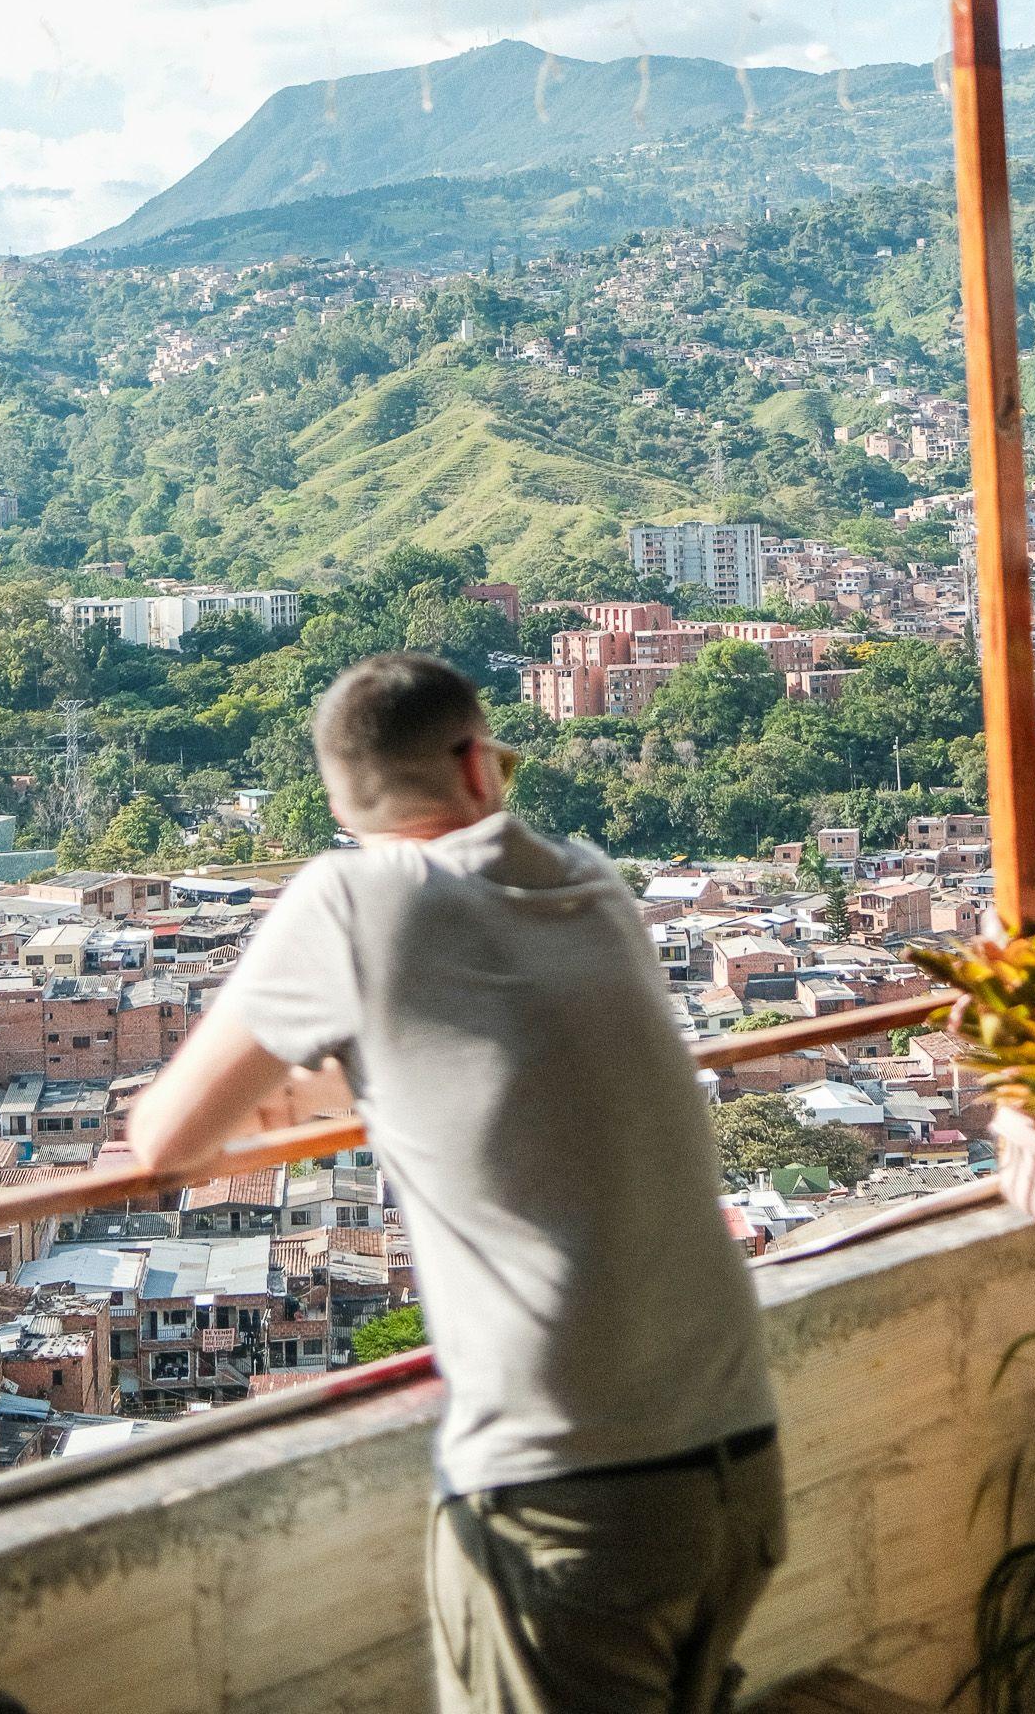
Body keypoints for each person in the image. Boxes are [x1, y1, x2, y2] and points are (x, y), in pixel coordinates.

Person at [126, 652, 782, 1714]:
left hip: (567, 1486)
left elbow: (164, 1140)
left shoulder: (349, 898)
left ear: (343, 796)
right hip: (734, 1457)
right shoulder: (592, 885)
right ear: (480, 764)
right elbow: (500, 1049)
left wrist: (293, 1093)